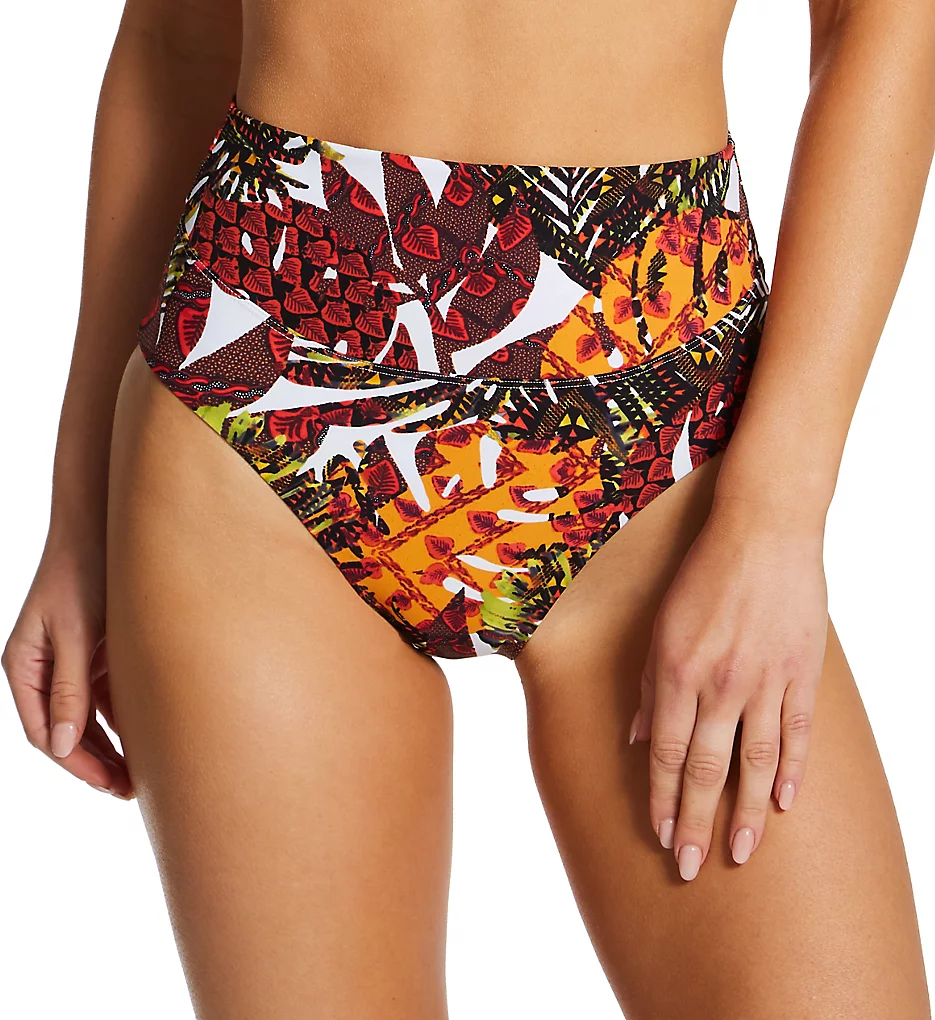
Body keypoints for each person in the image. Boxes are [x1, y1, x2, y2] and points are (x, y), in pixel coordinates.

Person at [3, 0, 933, 1016]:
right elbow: (176, 35)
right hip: (259, 380)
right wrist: (77, 513)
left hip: (656, 410)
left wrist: (774, 520)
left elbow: (884, 20)